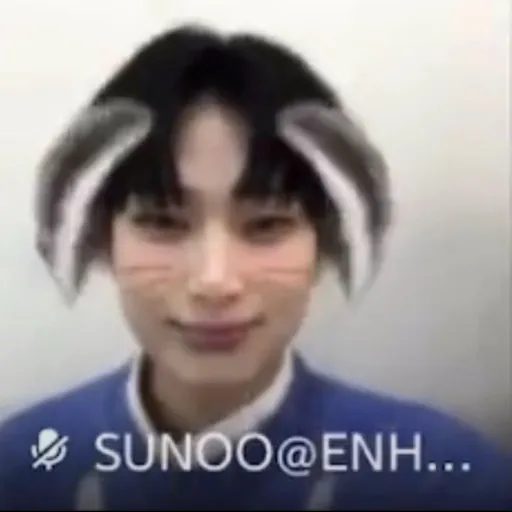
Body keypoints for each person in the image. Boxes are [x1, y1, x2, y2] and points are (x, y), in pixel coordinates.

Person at [0, 24, 510, 511]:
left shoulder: (438, 477)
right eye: (162, 222)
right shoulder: (21, 466)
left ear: (325, 243)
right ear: (101, 240)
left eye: (267, 225)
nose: (215, 281)